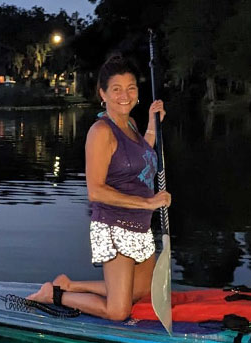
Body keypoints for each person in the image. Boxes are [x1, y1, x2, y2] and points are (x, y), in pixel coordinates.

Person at [27, 54, 171, 321]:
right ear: (102, 93)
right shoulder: (101, 132)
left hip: (140, 224)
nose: (125, 95)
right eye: (116, 89)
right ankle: (54, 295)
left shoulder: (130, 124)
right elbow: (95, 191)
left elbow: (141, 155)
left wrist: (152, 125)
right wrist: (148, 203)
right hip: (114, 225)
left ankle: (69, 284)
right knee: (119, 311)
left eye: (131, 88)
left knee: (140, 293)